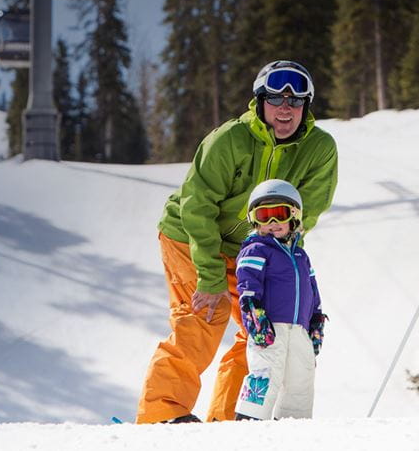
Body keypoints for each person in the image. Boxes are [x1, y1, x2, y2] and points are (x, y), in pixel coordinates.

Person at [135, 61, 339, 424]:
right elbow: (197, 206)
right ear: (260, 101)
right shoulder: (230, 140)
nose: (286, 109)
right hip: (190, 235)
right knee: (203, 318)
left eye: (296, 101)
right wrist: (211, 277)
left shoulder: (319, 148)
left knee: (262, 330)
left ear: (306, 106)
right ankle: (162, 413)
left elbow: (304, 215)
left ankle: (229, 420)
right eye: (276, 99)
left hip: (258, 245)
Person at [232, 179, 327, 420]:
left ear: (294, 216)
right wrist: (255, 316)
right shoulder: (256, 249)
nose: (272, 223)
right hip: (269, 328)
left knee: (301, 379)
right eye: (264, 216)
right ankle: (250, 420)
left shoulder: (301, 255)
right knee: (266, 373)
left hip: (299, 330)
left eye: (279, 214)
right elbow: (248, 286)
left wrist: (316, 320)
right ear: (254, 220)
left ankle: (293, 425)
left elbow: (312, 290)